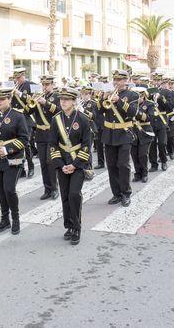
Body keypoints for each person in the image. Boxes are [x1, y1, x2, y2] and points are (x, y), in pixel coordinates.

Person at [0, 88, 29, 235]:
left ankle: (15, 219)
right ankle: (5, 219)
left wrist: (7, 149)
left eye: (2, 99)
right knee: (1, 190)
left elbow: (24, 138)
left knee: (9, 189)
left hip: (13, 158)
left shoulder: (18, 116)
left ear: (9, 99)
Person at [49, 87, 91, 245]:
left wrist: (75, 165)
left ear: (74, 101)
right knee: (65, 196)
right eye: (61, 99)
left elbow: (86, 145)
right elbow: (52, 144)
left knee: (74, 194)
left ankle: (77, 227)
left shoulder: (83, 119)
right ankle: (69, 226)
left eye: (67, 99)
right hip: (62, 163)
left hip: (78, 163)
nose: (63, 102)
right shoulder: (56, 119)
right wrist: (60, 164)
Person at [100, 70, 138, 207]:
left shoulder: (132, 95)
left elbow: (133, 112)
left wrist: (119, 101)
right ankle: (116, 194)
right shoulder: (108, 93)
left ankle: (126, 193)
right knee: (111, 166)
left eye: (119, 80)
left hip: (124, 133)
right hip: (109, 134)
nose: (116, 82)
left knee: (123, 165)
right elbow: (99, 111)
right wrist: (103, 98)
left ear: (126, 80)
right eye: (114, 79)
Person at [28, 75, 60, 200]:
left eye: (47, 84)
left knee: (50, 162)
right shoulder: (37, 97)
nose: (45, 87)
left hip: (52, 133)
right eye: (43, 84)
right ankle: (47, 189)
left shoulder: (57, 97)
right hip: (40, 133)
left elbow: (58, 111)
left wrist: (45, 103)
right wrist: (31, 102)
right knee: (42, 163)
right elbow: (27, 112)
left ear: (52, 84)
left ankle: (54, 188)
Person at [10, 67, 36, 178]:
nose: (17, 80)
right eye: (16, 78)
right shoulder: (13, 86)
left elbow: (34, 100)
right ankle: (20, 169)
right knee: (15, 145)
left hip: (26, 117)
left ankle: (31, 167)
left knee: (27, 145)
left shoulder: (31, 85)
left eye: (19, 77)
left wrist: (19, 94)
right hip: (14, 118)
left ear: (24, 75)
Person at [130, 86, 155, 183]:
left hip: (145, 132)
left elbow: (150, 118)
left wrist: (137, 112)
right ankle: (137, 173)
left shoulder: (149, 104)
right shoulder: (131, 104)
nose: (137, 98)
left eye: (139, 96)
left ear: (143, 95)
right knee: (134, 155)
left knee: (143, 155)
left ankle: (144, 173)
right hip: (133, 132)